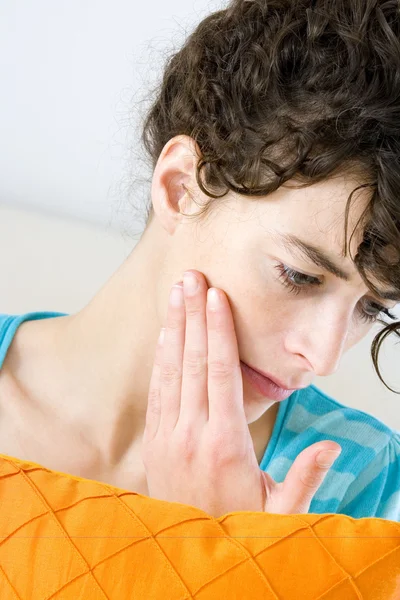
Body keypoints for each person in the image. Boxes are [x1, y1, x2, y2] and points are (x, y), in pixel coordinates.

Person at [0, 0, 400, 520]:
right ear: (181, 188)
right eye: (299, 275)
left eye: (371, 307)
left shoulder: (363, 480)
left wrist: (227, 551)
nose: (322, 357)